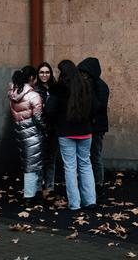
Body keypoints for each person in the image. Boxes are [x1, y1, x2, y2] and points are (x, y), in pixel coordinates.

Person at [46, 59, 96, 211]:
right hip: (85, 131)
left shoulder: (59, 88)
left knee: (70, 167)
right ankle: (90, 200)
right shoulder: (86, 85)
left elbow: (49, 109)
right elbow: (95, 107)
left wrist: (56, 121)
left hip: (65, 132)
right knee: (86, 165)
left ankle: (75, 204)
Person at [7, 66, 45, 204]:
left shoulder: (13, 93)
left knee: (30, 162)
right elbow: (38, 117)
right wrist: (46, 129)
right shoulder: (34, 95)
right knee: (32, 165)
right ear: (31, 78)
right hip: (33, 132)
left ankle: (36, 191)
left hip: (20, 131)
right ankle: (29, 196)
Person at [78, 56, 109, 189]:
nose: (82, 76)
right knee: (88, 157)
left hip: (97, 126)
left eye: (84, 73)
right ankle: (91, 183)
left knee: (95, 155)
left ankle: (98, 183)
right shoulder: (88, 84)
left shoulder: (100, 86)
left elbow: (99, 107)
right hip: (89, 125)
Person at [34, 61, 58, 197]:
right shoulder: (35, 90)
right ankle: (38, 188)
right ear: (38, 74)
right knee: (39, 160)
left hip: (54, 129)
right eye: (42, 72)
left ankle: (50, 187)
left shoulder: (55, 89)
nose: (44, 75)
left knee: (51, 159)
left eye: (47, 72)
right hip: (40, 130)